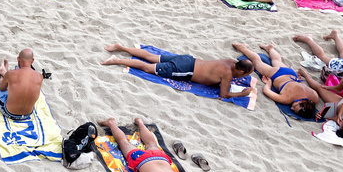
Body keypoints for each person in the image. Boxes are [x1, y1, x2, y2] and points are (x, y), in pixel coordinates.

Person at [101, 43, 255, 99]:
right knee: (147, 67)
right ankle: (117, 60)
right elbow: (223, 94)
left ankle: (121, 47)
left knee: (151, 56)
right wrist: (241, 94)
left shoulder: (231, 63)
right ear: (241, 72)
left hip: (188, 59)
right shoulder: (228, 74)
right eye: (247, 74)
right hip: (184, 70)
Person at [233, 42, 319, 119]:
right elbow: (266, 90)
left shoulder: (315, 97)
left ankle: (270, 49)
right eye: (294, 107)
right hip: (276, 75)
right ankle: (242, 48)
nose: (291, 108)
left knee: (276, 60)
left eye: (293, 109)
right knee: (257, 62)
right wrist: (269, 83)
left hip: (291, 74)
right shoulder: (287, 99)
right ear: (300, 103)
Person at [0, 48, 43, 120]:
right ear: (32, 60)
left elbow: (1, 88)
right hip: (27, 114)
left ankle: (3, 73)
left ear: (18, 59)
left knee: (2, 87)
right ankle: (4, 72)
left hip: (9, 113)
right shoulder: (39, 76)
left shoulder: (11, 73)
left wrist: (3, 79)